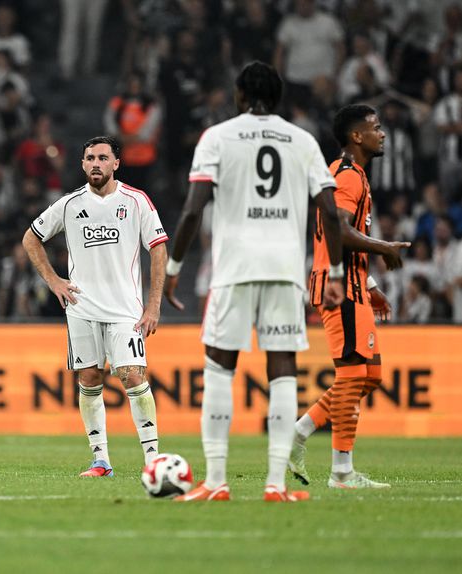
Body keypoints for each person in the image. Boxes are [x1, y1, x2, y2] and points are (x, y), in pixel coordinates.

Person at [163, 61, 345, 503]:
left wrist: (173, 268)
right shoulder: (302, 140)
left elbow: (193, 210)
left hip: (234, 268)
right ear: (278, 97)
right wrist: (336, 272)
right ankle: (276, 485)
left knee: (219, 366)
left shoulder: (217, 137)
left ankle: (216, 482)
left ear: (239, 95)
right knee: (283, 369)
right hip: (284, 268)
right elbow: (330, 211)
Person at [22, 135, 169, 477]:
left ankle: (153, 460)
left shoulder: (136, 201)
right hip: (82, 308)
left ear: (116, 163)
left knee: (132, 375)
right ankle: (100, 460)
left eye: (103, 158)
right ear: (82, 164)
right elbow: (31, 239)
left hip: (125, 310)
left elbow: (158, 248)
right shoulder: (69, 204)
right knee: (89, 377)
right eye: (90, 158)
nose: (96, 164)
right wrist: (53, 281)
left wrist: (153, 305)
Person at [289, 104, 411, 490]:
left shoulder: (351, 174)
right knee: (353, 375)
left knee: (370, 376)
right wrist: (384, 247)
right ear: (357, 136)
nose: (382, 133)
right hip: (339, 287)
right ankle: (341, 471)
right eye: (376, 127)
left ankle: (299, 432)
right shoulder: (346, 176)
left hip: (354, 286)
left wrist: (370, 285)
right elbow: (338, 231)